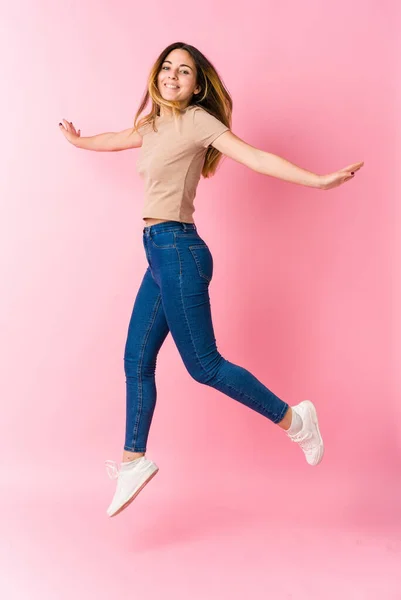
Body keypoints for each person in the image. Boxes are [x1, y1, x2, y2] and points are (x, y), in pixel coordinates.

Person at [59, 42, 364, 518]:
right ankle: (133, 460)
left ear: (197, 85)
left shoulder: (199, 122)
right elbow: (116, 138)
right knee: (136, 358)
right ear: (155, 76)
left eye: (184, 71)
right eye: (166, 68)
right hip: (158, 254)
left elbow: (256, 156)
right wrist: (78, 141)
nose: (172, 76)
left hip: (180, 252)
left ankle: (296, 420)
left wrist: (319, 181)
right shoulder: (151, 125)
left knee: (204, 366)